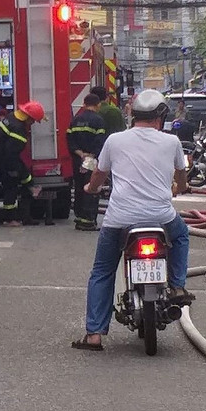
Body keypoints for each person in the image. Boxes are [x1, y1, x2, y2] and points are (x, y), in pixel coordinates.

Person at [71, 89, 190, 352]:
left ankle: (94, 336)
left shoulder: (115, 141)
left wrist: (91, 189)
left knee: (102, 272)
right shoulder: (171, 142)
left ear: (132, 114)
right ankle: (178, 286)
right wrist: (176, 188)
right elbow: (181, 180)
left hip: (120, 220)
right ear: (160, 117)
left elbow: (99, 176)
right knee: (181, 235)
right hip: (161, 217)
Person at [0, 101, 45, 227]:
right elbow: (11, 154)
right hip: (8, 162)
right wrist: (15, 171)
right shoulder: (18, 130)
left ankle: (26, 213)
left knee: (26, 180)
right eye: (34, 120)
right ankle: (10, 219)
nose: (33, 123)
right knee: (11, 189)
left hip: (1, 158)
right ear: (28, 117)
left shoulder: (11, 117)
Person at [66, 95, 106, 231]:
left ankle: (79, 216)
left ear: (84, 103)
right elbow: (100, 141)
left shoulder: (76, 120)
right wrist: (91, 155)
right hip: (91, 159)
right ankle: (88, 220)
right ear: (98, 104)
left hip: (78, 158)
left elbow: (70, 139)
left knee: (78, 186)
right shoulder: (98, 120)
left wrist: (80, 153)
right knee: (91, 186)